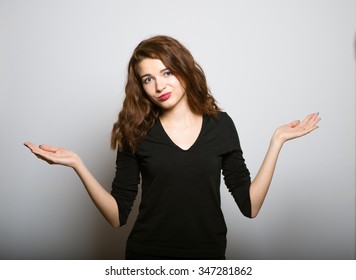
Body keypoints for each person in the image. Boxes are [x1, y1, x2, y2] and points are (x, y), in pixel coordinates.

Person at [24, 35, 320, 260]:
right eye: (148, 79)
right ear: (141, 87)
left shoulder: (221, 125)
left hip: (209, 258)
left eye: (167, 73)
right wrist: (78, 164)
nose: (159, 86)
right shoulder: (134, 131)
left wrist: (276, 142)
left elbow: (250, 206)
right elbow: (117, 216)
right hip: (147, 257)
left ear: (184, 70)